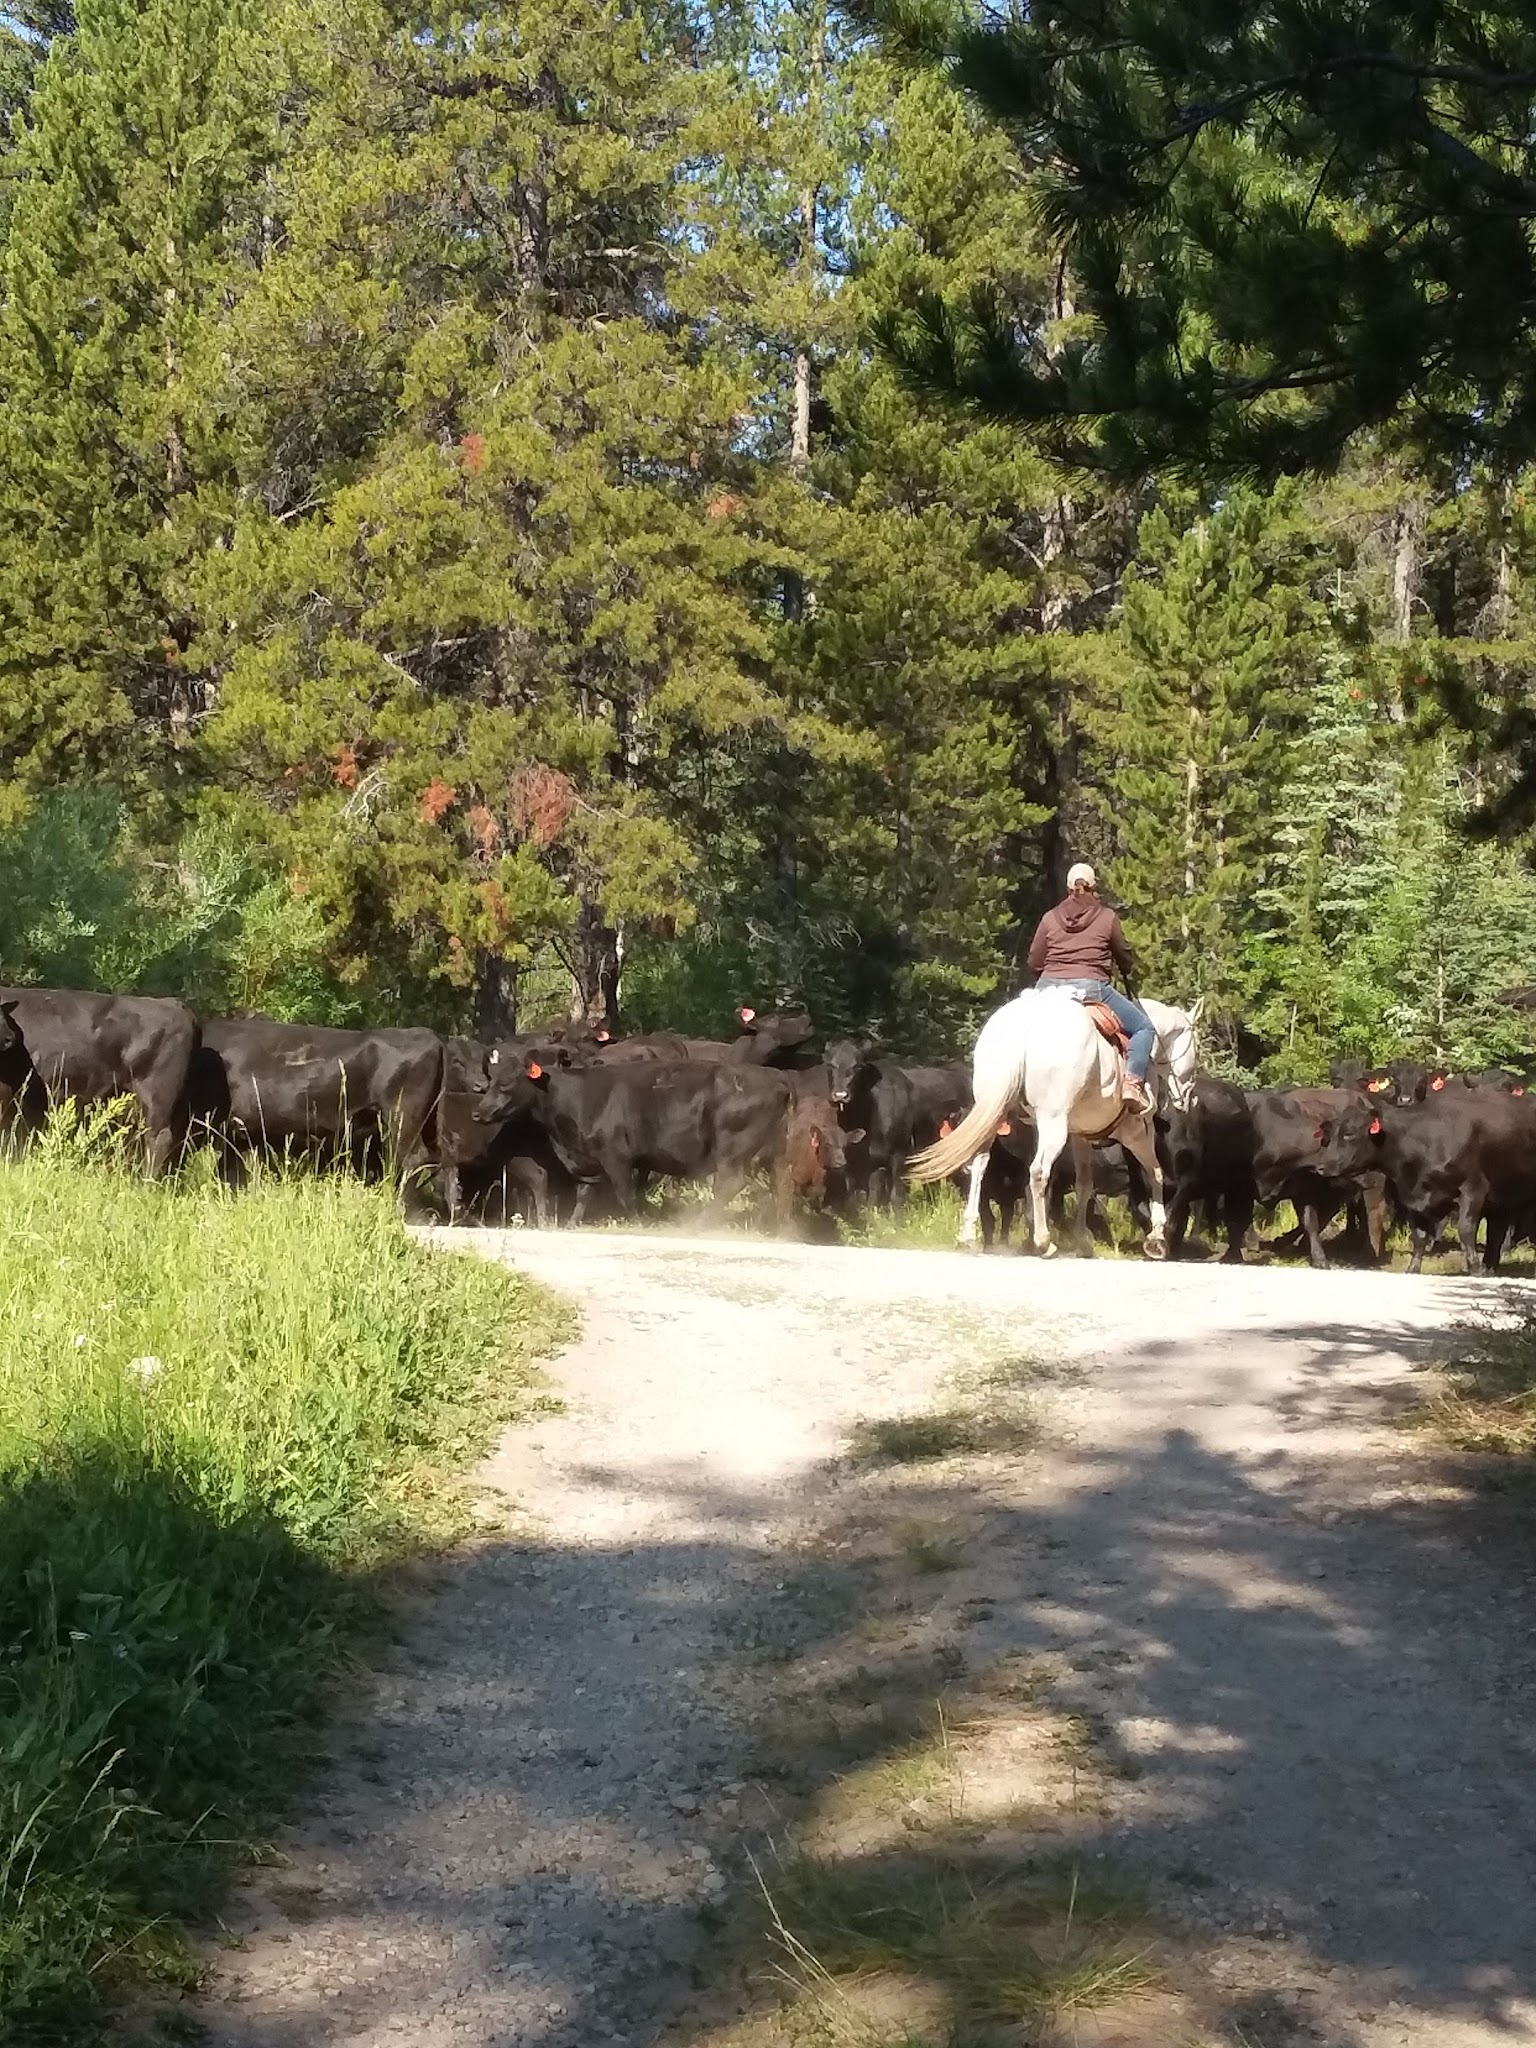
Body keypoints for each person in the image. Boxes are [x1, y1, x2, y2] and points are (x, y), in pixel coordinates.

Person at [1026, 863, 1156, 1111]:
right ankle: (1131, 1084)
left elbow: (1034, 960)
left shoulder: (1049, 918)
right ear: (1094, 886)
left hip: (1047, 988)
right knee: (1143, 1028)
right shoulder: (1107, 917)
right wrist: (1127, 966)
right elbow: (1124, 955)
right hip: (1091, 987)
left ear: (1067, 888)